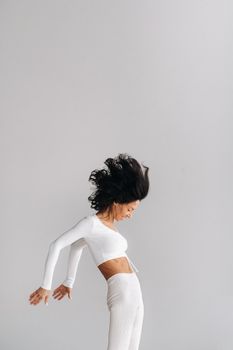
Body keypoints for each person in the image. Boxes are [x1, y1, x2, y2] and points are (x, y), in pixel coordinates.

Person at [28, 153, 150, 350]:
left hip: (135, 292)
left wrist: (69, 281)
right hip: (122, 292)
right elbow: (57, 245)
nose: (131, 215)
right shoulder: (91, 224)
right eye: (130, 210)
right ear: (117, 202)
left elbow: (77, 247)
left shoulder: (108, 226)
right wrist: (45, 285)